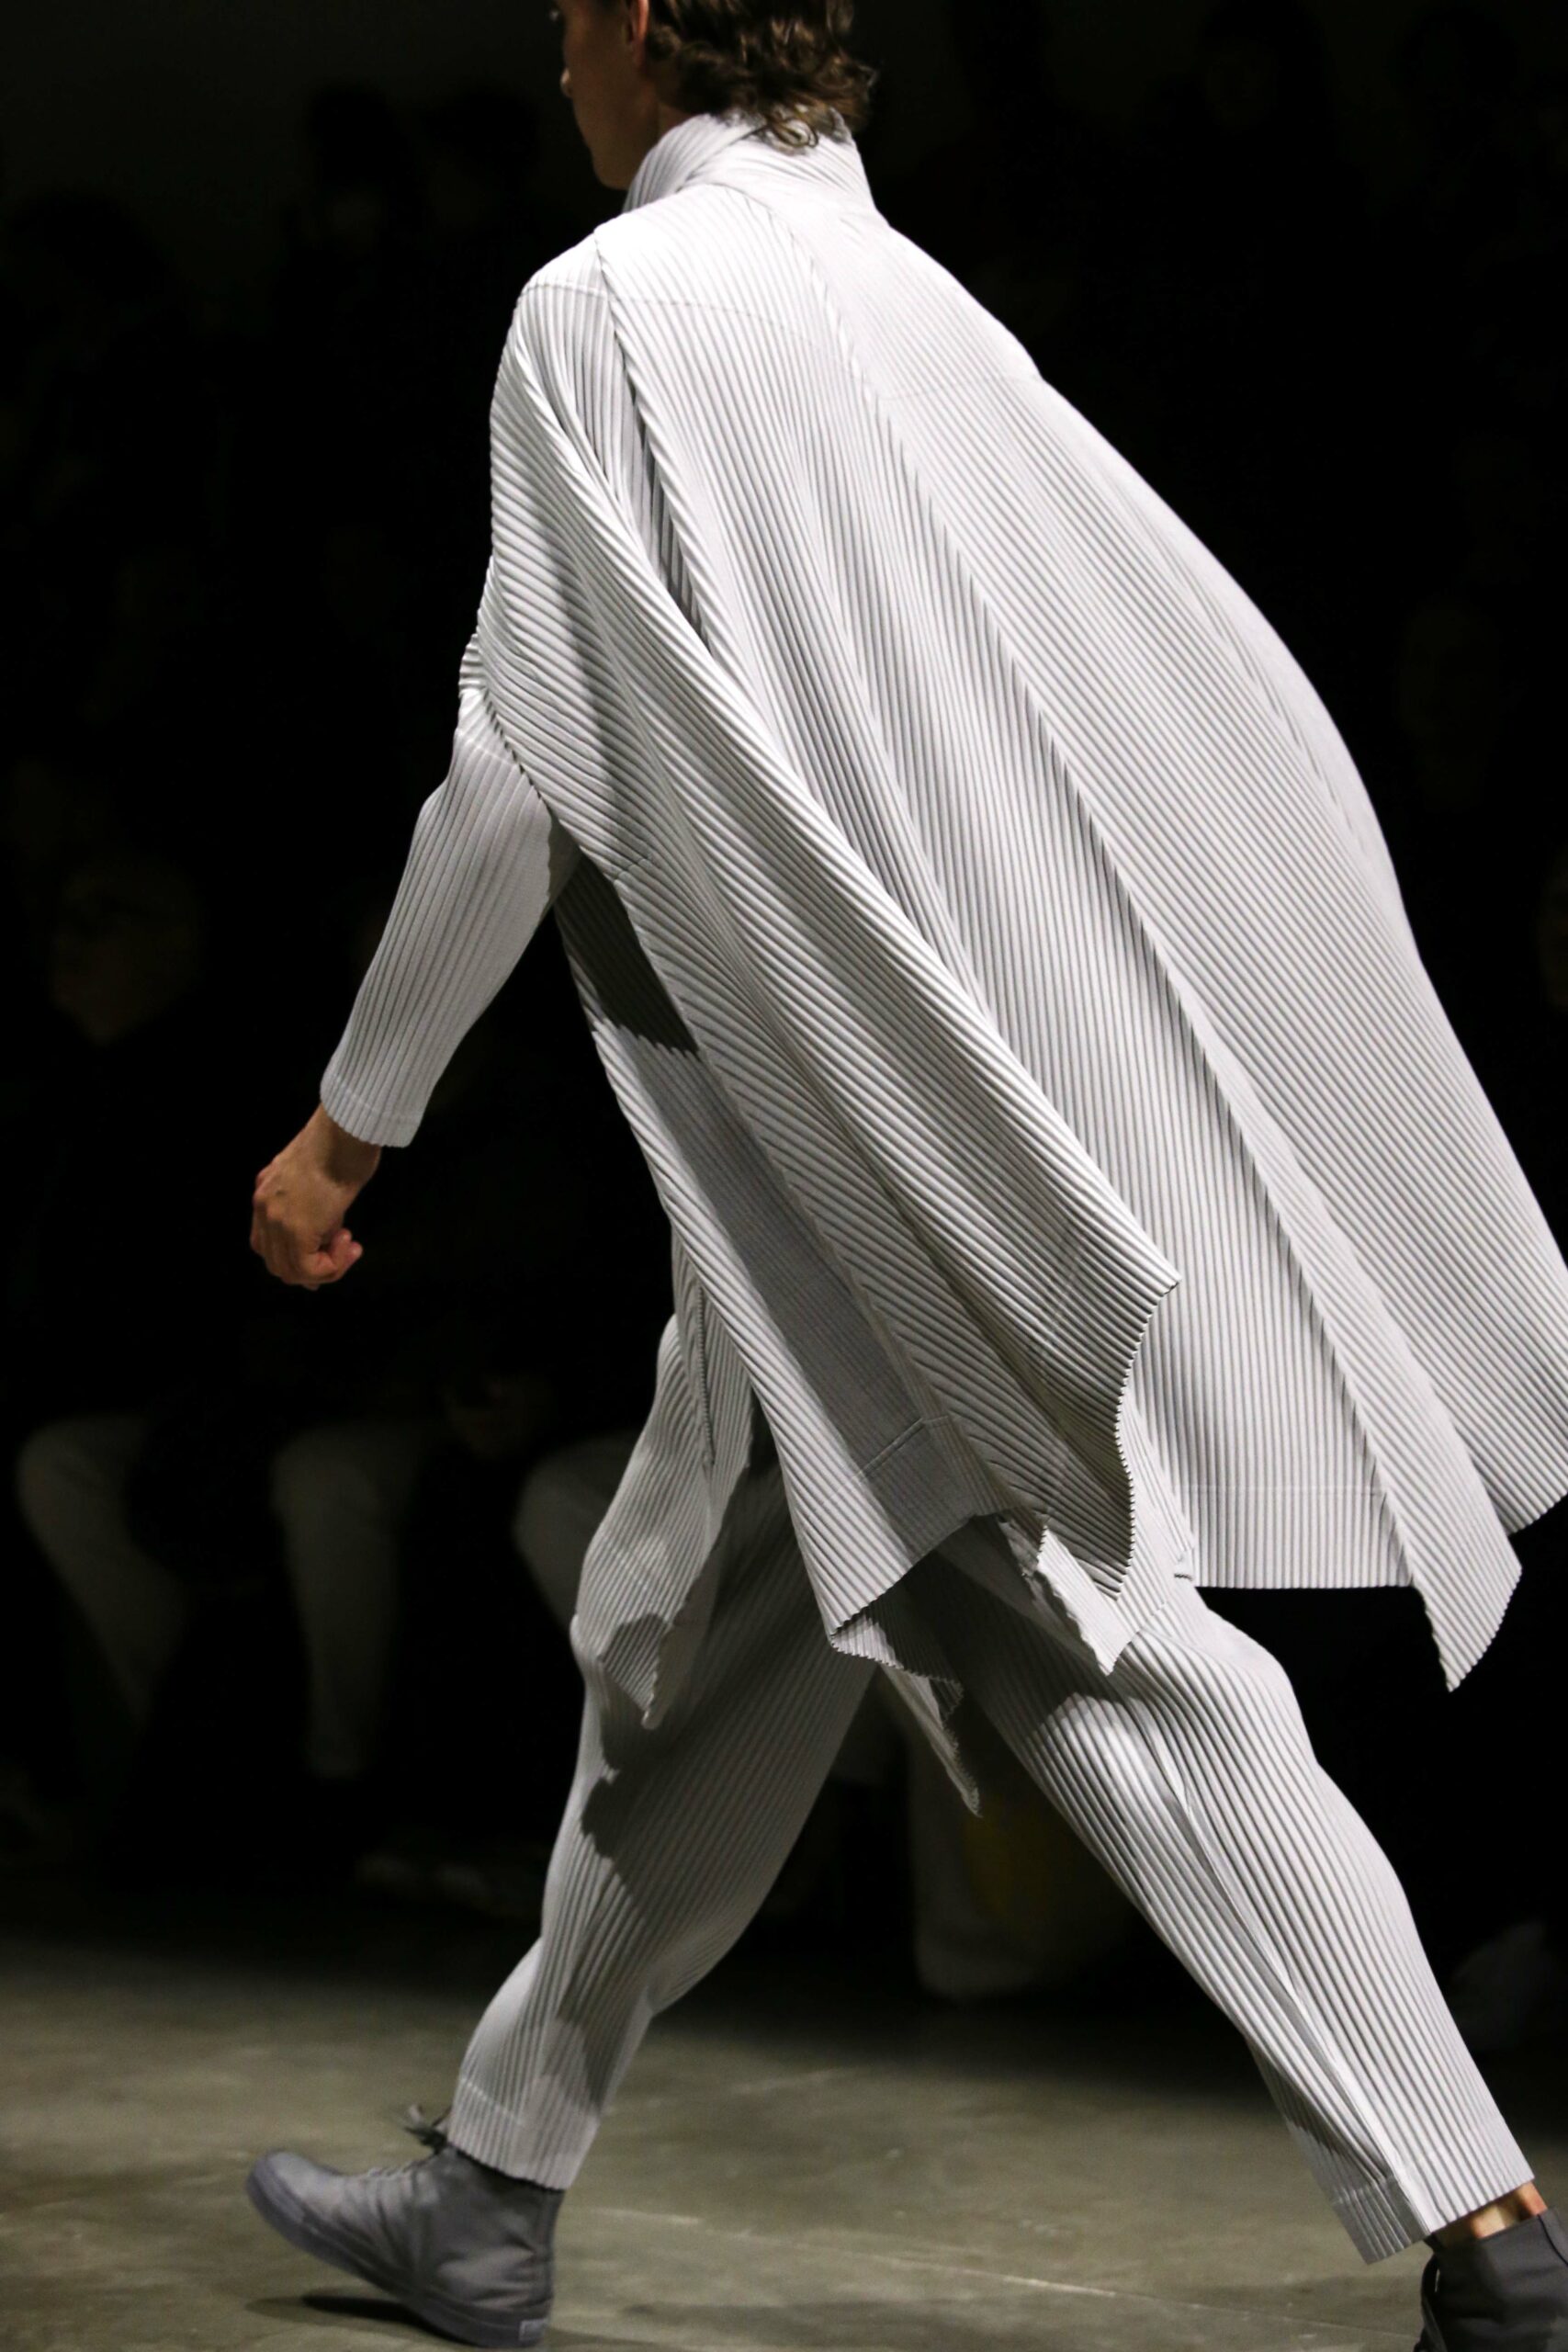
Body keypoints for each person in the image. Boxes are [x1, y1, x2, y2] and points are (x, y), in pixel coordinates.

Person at [243, 4, 1568, 2346]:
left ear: (641, 27)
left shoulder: (605, 306)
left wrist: (355, 1114)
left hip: (848, 1138)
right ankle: (492, 2183)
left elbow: (519, 760)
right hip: (913, 1093)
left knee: (1094, 1638)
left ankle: (1485, 2221)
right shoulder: (917, 300)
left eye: (566, 18)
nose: (552, 64)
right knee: (698, 1643)